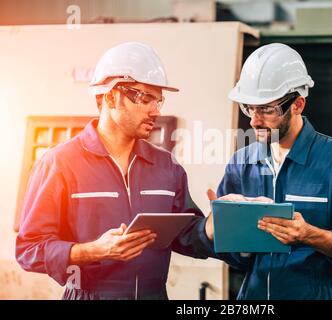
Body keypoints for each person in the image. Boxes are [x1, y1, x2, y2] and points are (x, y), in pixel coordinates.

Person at [16, 42, 210, 300]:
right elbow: (29, 249)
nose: (156, 110)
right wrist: (94, 251)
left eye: (159, 99)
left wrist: (212, 226)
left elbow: (186, 235)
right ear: (110, 97)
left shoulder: (167, 166)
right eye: (145, 98)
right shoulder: (59, 163)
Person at [202, 43, 332, 299]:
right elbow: (236, 259)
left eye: (267, 110)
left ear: (298, 104)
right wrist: (221, 230)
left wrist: (310, 235)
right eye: (249, 108)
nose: (254, 120)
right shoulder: (241, 163)